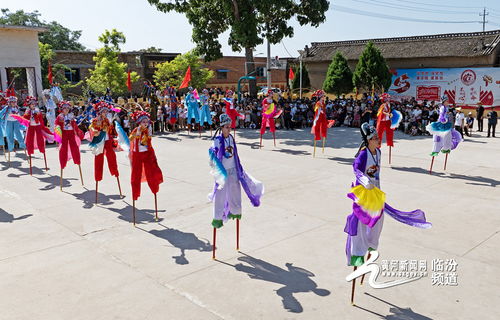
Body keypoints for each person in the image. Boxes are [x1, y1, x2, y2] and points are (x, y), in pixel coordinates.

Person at [344, 123, 431, 267]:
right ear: (369, 139)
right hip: (364, 194)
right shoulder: (363, 154)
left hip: (376, 192)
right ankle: (358, 254)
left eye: (378, 137)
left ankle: (372, 245)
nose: (379, 140)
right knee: (361, 223)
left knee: (378, 221)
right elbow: (356, 169)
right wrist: (365, 181)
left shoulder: (378, 153)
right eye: (376, 138)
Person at [208, 114, 264, 229]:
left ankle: (235, 211)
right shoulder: (218, 140)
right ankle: (218, 218)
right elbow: (212, 151)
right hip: (223, 173)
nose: (229, 129)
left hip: (233, 170)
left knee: (235, 191)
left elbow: (235, 155)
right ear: (222, 127)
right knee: (220, 195)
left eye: (230, 127)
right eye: (227, 127)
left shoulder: (231, 139)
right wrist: (213, 150)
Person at [128, 111, 163, 211]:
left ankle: (154, 188)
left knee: (151, 172)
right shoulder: (136, 130)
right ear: (139, 122)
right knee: (136, 175)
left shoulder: (147, 131)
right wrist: (137, 133)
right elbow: (130, 139)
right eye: (143, 122)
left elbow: (148, 142)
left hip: (147, 154)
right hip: (137, 155)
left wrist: (149, 133)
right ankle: (135, 193)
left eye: (147, 122)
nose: (146, 123)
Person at [88, 101, 120, 191]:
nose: (105, 113)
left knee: (111, 156)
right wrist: (95, 130)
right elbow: (91, 127)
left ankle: (115, 171)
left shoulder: (107, 120)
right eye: (103, 111)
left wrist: (111, 127)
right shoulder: (95, 120)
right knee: (99, 158)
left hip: (107, 140)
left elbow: (111, 130)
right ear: (99, 112)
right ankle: (98, 177)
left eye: (106, 111)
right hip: (99, 141)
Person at [55, 100, 83, 177]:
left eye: (68, 108)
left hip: (71, 133)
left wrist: (77, 132)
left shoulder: (71, 116)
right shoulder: (60, 116)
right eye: (65, 108)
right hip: (64, 134)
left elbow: (74, 125)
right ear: (62, 109)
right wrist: (57, 128)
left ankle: (77, 160)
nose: (66, 109)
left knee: (74, 147)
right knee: (63, 149)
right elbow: (56, 124)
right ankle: (63, 163)